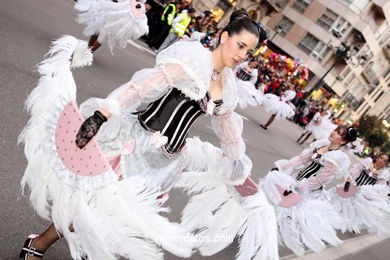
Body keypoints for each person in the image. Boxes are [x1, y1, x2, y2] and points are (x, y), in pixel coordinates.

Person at [19, 10, 269, 260]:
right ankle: (37, 244)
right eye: (240, 45)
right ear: (225, 36)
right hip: (136, 143)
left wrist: (237, 165)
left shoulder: (227, 86)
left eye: (248, 52)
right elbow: (142, 88)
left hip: (166, 162)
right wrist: (102, 114)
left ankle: (89, 252)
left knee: (120, 220)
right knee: (94, 204)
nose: (242, 55)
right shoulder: (193, 61)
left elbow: (228, 132)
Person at [261, 125, 358, 255]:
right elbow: (302, 159)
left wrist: (300, 187)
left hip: (307, 191)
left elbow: (320, 179)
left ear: (343, 141)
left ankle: (267, 244)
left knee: (284, 217)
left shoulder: (337, 157)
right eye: (335, 130)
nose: (333, 132)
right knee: (273, 204)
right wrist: (282, 167)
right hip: (295, 181)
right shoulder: (322, 145)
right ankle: (262, 234)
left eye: (338, 133)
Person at [330, 153, 390, 235]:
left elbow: (377, 188)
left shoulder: (383, 174)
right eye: (381, 158)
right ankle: (332, 218)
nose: (381, 161)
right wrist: (348, 182)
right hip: (352, 187)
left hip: (362, 194)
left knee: (356, 210)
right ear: (377, 158)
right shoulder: (368, 163)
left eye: (384, 161)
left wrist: (370, 196)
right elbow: (353, 173)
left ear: (386, 164)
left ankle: (352, 224)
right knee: (339, 204)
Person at [75, 0, 149, 53]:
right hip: (112, 9)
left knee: (103, 33)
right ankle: (88, 50)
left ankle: (88, 53)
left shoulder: (136, 5)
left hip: (120, 14)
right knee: (98, 29)